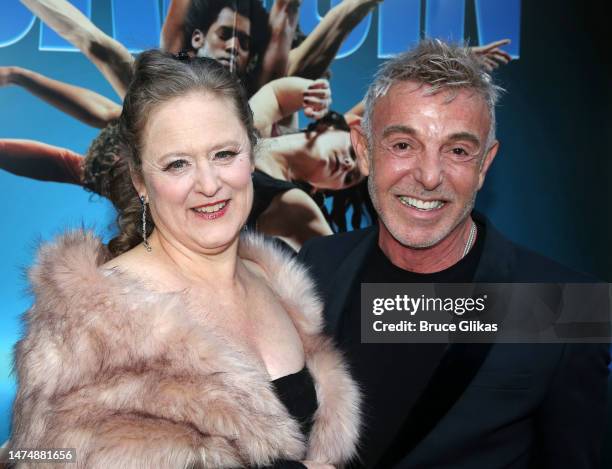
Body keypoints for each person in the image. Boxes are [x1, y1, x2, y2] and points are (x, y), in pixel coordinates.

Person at [9, 50, 361, 468]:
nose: (209, 184)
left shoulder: (282, 286)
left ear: (252, 154)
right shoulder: (85, 321)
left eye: (224, 154)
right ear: (140, 181)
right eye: (178, 164)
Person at [297, 40, 610, 468]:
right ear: (364, 150)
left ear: (484, 164)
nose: (428, 176)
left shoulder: (566, 307)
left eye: (458, 151)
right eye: (403, 145)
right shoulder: (316, 266)